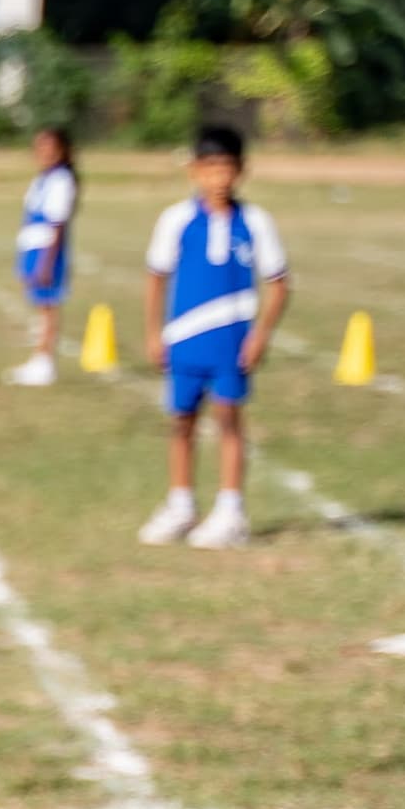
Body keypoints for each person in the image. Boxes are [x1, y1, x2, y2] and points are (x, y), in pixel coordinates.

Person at [139, 123, 289, 549]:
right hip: (186, 339)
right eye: (210, 168)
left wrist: (260, 336)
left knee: (228, 420)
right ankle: (181, 504)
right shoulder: (177, 220)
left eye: (227, 168)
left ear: (241, 170)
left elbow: (279, 284)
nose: (218, 177)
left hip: (231, 343)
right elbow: (156, 277)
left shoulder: (255, 223)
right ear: (194, 171)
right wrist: (153, 333)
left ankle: (230, 511)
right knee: (181, 422)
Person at [6, 123, 78, 386]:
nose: (44, 152)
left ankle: (44, 362)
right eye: (39, 147)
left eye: (49, 147)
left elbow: (57, 223)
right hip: (33, 247)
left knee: (48, 308)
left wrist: (46, 262)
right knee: (40, 306)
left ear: (62, 150)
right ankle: (38, 357)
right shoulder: (43, 179)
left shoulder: (61, 180)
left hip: (47, 251)